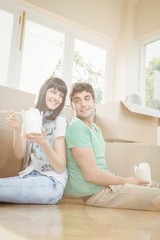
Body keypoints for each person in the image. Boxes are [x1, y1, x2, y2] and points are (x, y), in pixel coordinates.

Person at [65, 82, 160, 211]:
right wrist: (127, 181)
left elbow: (100, 168)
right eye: (77, 101)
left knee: (153, 185)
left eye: (87, 98)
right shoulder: (77, 127)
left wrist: (128, 182)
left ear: (94, 102)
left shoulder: (96, 130)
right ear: (72, 106)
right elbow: (91, 175)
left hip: (106, 187)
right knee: (156, 197)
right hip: (96, 193)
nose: (83, 104)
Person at [1, 77, 68, 204]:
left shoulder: (60, 121)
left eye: (61, 95)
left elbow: (60, 167)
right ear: (44, 91)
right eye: (53, 92)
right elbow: (19, 154)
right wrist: (16, 129)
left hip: (52, 182)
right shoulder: (31, 117)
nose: (57, 98)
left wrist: (44, 143)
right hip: (30, 176)